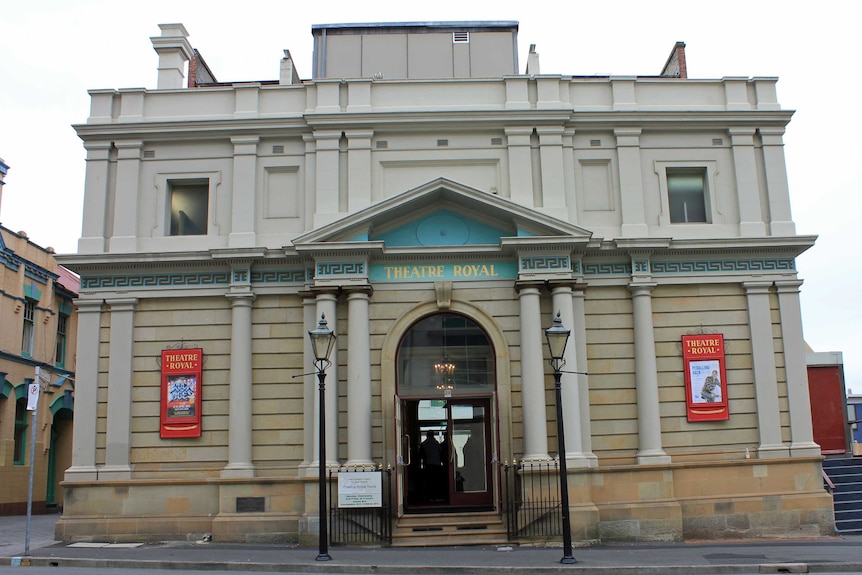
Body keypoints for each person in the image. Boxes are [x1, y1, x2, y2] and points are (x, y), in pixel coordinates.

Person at [419, 430, 444, 501]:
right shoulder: (436, 443)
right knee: (436, 481)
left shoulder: (423, 444)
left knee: (429, 481)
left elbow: (421, 455)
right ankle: (436, 496)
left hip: (428, 464)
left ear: (427, 435)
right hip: (437, 464)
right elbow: (441, 452)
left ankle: (428, 496)